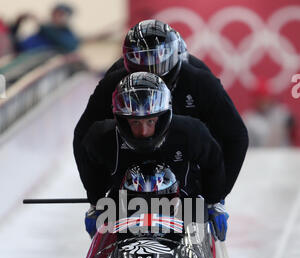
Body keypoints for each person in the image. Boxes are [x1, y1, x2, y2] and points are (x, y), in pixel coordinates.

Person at [73, 19, 248, 242]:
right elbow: (86, 137)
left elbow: (234, 136)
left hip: (186, 164)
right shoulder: (114, 83)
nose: (150, 74)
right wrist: (97, 198)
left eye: (156, 65)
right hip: (130, 168)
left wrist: (216, 195)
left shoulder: (199, 82)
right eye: (141, 66)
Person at [75, 71, 227, 240]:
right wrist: (96, 202)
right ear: (123, 120)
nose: (144, 132)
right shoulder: (102, 138)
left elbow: (214, 162)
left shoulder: (191, 132)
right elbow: (90, 164)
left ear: (162, 117)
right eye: (135, 123)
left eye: (150, 121)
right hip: (124, 209)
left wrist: (214, 201)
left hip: (185, 208)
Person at [243, 78, 295, 147]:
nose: (264, 101)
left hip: (283, 155)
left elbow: (292, 123)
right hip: (259, 156)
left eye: (266, 97)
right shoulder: (249, 119)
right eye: (260, 98)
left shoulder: (281, 113)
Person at [10, 4, 80, 54]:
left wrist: (42, 25)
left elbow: (69, 46)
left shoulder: (67, 35)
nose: (56, 17)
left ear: (67, 18)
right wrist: (18, 23)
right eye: (54, 14)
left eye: (60, 15)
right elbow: (18, 46)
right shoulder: (43, 33)